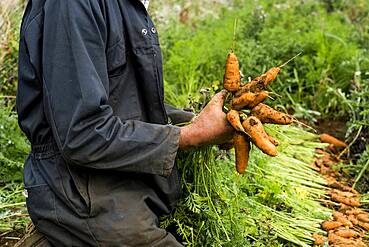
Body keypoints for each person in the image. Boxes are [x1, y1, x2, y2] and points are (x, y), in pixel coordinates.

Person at [16, 0, 233, 246]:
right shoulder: (74, 5)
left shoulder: (129, 6)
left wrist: (196, 123)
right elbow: (82, 133)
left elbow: (127, 102)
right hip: (77, 190)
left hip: (120, 171)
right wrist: (191, 136)